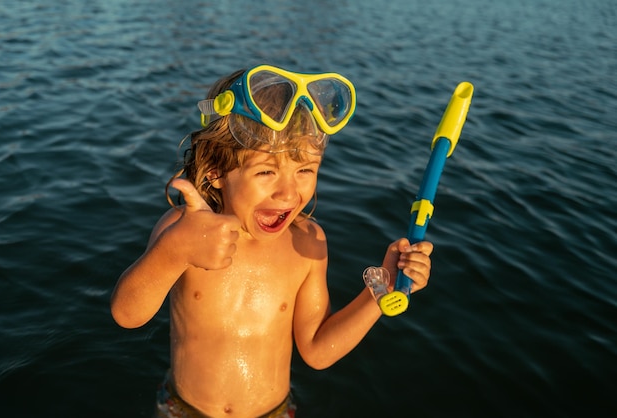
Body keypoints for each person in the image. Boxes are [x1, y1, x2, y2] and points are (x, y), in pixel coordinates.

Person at [110, 65, 433, 418]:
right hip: (184, 411)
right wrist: (173, 251)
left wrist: (383, 290)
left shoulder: (308, 243)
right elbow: (127, 315)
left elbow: (317, 351)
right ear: (216, 171)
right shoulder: (186, 230)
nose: (288, 192)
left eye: (305, 170)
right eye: (266, 171)